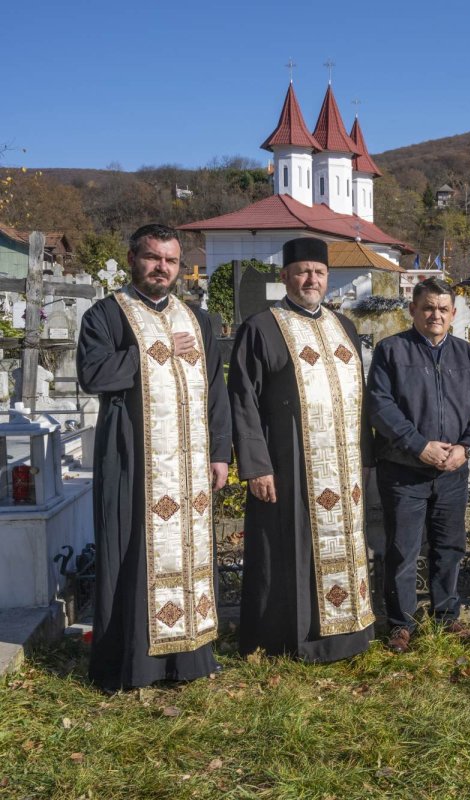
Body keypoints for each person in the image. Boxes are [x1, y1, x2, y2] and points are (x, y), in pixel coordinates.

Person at [77, 223, 231, 691]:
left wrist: (220, 453)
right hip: (130, 460)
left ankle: (189, 659)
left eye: (171, 260)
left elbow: (216, 391)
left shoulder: (198, 320)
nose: (162, 268)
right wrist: (155, 351)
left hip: (190, 466)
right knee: (130, 552)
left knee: (188, 555)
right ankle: (133, 663)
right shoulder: (106, 315)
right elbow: (94, 374)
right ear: (132, 259)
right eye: (152, 257)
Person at [227, 237, 375, 663]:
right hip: (288, 463)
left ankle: (348, 634)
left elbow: (359, 397)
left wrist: (365, 460)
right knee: (290, 548)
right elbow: (243, 400)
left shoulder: (343, 326)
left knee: (345, 542)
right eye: (303, 271)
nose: (312, 279)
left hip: (344, 468)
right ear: (285, 276)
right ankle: (293, 640)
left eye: (319, 272)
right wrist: (256, 466)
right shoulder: (261, 327)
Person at [368, 278, 470, 653]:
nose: (435, 315)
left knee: (449, 547)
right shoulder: (392, 351)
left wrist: (467, 447)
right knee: (403, 550)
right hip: (404, 470)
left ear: (453, 313)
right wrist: (419, 446)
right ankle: (401, 624)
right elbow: (381, 406)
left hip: (453, 470)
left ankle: (446, 616)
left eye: (442, 309)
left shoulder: (467, 355)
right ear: (413, 310)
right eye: (427, 307)